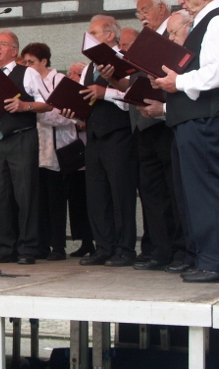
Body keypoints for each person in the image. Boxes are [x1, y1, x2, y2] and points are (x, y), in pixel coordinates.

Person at [153, 0, 219, 283]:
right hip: (198, 117)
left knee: (207, 189)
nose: (180, 0)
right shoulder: (207, 21)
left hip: (208, 117)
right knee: (196, 191)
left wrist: (177, 83)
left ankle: (218, 263)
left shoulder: (217, 22)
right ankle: (205, 257)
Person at [64, 16, 138, 267]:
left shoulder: (126, 59)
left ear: (110, 35)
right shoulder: (88, 68)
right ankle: (103, 246)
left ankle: (125, 248)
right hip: (94, 135)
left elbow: (133, 96)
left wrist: (105, 92)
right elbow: (87, 99)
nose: (89, 36)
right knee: (97, 194)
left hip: (119, 132)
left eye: (94, 32)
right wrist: (73, 111)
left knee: (120, 193)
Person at [0, 31, 52, 265]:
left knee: (25, 194)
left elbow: (47, 103)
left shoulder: (27, 73)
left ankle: (28, 248)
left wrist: (24, 105)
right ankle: (5, 248)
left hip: (21, 138)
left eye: (3, 44)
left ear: (14, 51)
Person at [128, 0, 180, 272]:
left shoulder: (171, 36)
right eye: (139, 12)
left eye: (145, 10)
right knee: (151, 191)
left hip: (166, 123)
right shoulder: (145, 40)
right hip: (144, 123)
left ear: (162, 8)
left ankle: (176, 249)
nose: (142, 17)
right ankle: (159, 249)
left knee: (172, 190)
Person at [21, 42, 76, 261]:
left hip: (56, 147)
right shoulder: (25, 81)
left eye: (31, 62)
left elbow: (66, 114)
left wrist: (35, 111)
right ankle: (40, 245)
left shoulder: (58, 80)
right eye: (24, 62)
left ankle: (59, 246)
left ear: (44, 61)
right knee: (37, 200)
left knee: (56, 199)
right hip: (33, 146)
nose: (27, 66)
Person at [64, 63, 95, 258]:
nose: (71, 77)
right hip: (74, 155)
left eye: (75, 74)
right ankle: (85, 241)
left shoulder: (88, 92)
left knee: (93, 200)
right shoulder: (69, 94)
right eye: (69, 74)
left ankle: (101, 240)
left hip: (91, 150)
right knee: (77, 201)